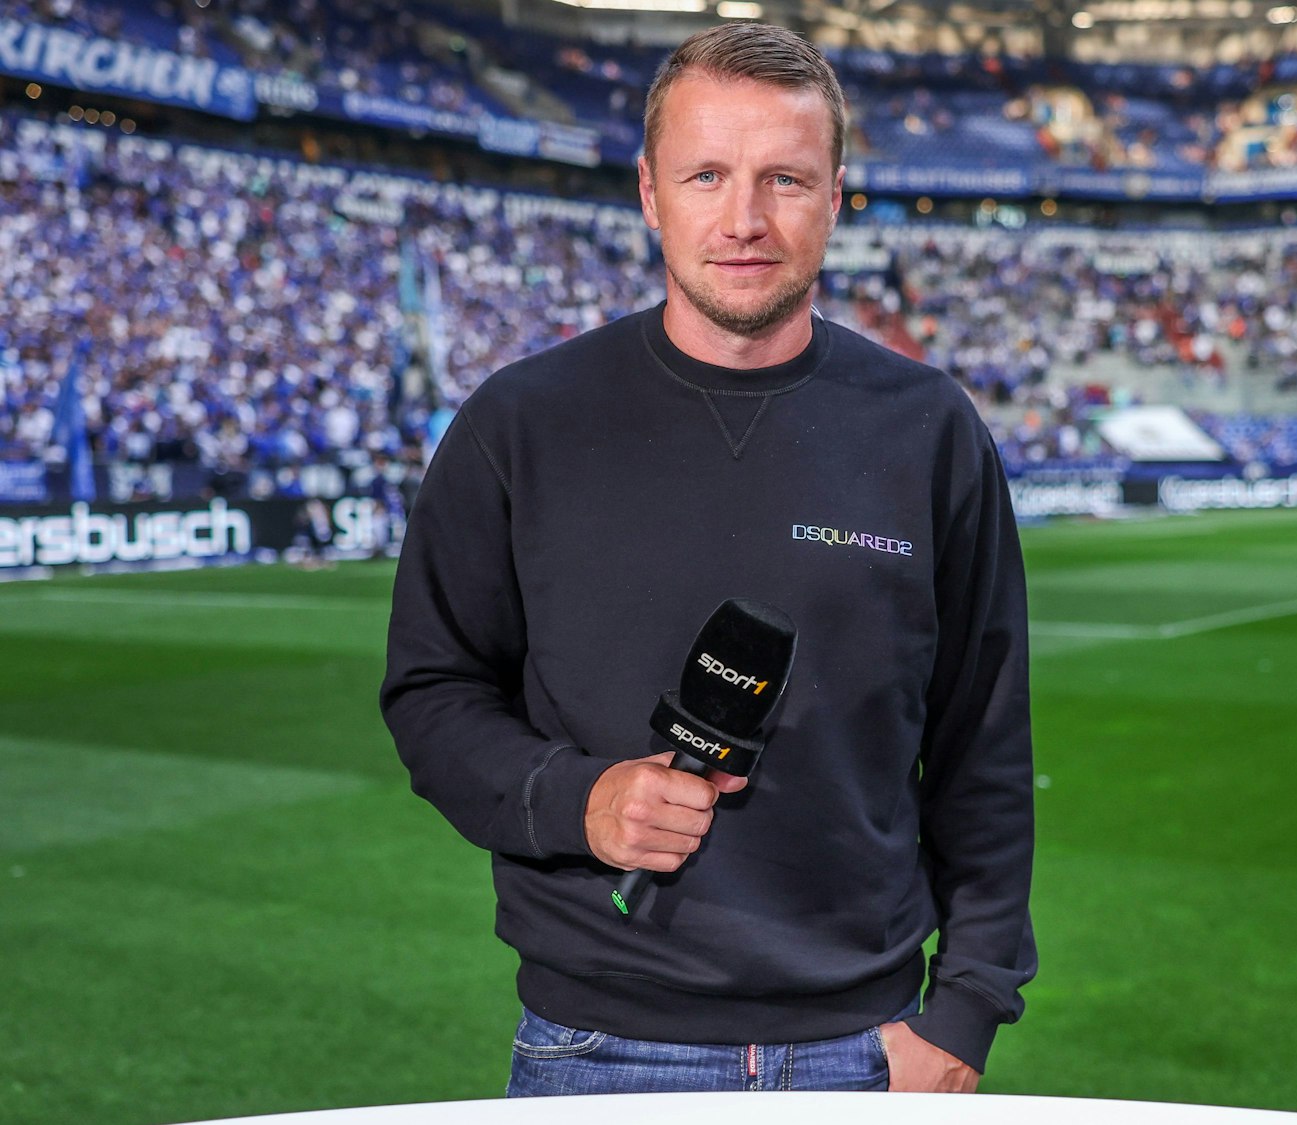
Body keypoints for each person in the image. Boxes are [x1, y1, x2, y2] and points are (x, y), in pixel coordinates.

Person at [379, 22, 1035, 1097]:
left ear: (834, 199)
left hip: (865, 1049)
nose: (744, 219)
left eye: (784, 178)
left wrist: (963, 1011)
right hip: (594, 1049)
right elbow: (431, 693)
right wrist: (574, 800)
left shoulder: (929, 429)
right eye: (706, 175)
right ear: (649, 192)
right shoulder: (520, 425)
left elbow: (984, 748)